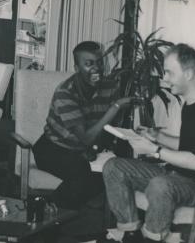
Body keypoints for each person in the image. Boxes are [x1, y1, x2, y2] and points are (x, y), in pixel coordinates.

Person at [102, 43, 195, 243]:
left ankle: (153, 237)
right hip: (180, 176)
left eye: (169, 73)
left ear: (189, 74)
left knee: (160, 184)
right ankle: (130, 231)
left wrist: (155, 150)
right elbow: (192, 145)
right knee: (113, 166)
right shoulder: (190, 103)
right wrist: (158, 137)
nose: (164, 79)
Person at [33, 41, 132, 209]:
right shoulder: (65, 92)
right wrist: (115, 107)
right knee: (83, 176)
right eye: (88, 64)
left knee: (111, 174)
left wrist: (96, 149)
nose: (97, 68)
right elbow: (85, 137)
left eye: (99, 62)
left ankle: (52, 211)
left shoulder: (110, 87)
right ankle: (49, 210)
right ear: (77, 67)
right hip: (53, 149)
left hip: (85, 149)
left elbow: (109, 128)